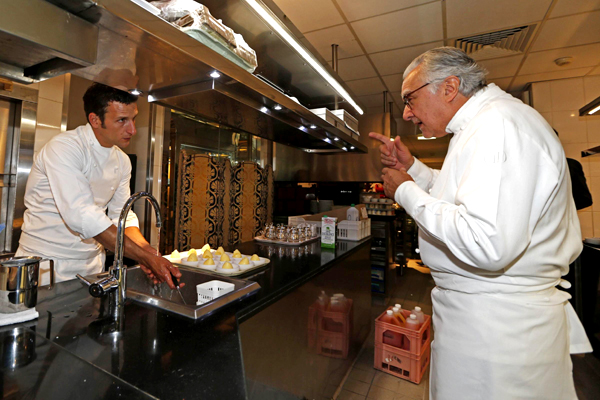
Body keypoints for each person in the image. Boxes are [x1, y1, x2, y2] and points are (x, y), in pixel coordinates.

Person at [370, 47, 592, 399]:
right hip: (488, 325)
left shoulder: (498, 125)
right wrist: (413, 168)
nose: (408, 114)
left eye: (410, 100)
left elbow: (486, 242)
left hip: (497, 335)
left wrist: (406, 192)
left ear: (449, 87)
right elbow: (460, 196)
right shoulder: (482, 126)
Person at [16, 83, 181, 289]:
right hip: (46, 265)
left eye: (133, 119)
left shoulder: (122, 161)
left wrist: (148, 252)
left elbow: (121, 216)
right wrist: (143, 257)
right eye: (122, 120)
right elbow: (83, 215)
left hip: (92, 267)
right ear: (95, 119)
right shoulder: (64, 148)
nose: (132, 129)